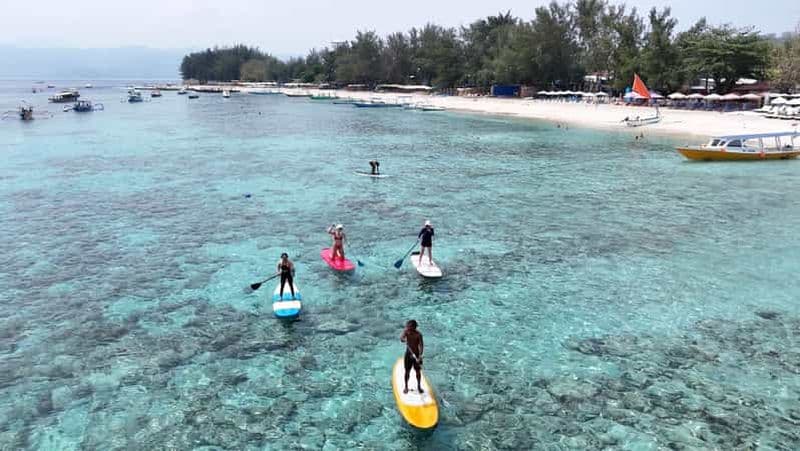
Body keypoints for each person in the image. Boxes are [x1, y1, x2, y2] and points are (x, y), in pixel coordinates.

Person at [400, 319, 424, 394]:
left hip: (416, 354)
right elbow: (401, 338)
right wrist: (404, 339)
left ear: (414, 327)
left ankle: (419, 386)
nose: (408, 328)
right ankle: (406, 386)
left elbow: (421, 345)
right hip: (408, 354)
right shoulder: (406, 331)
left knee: (418, 372)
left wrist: (419, 356)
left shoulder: (418, 334)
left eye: (410, 327)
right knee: (407, 371)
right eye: (408, 327)